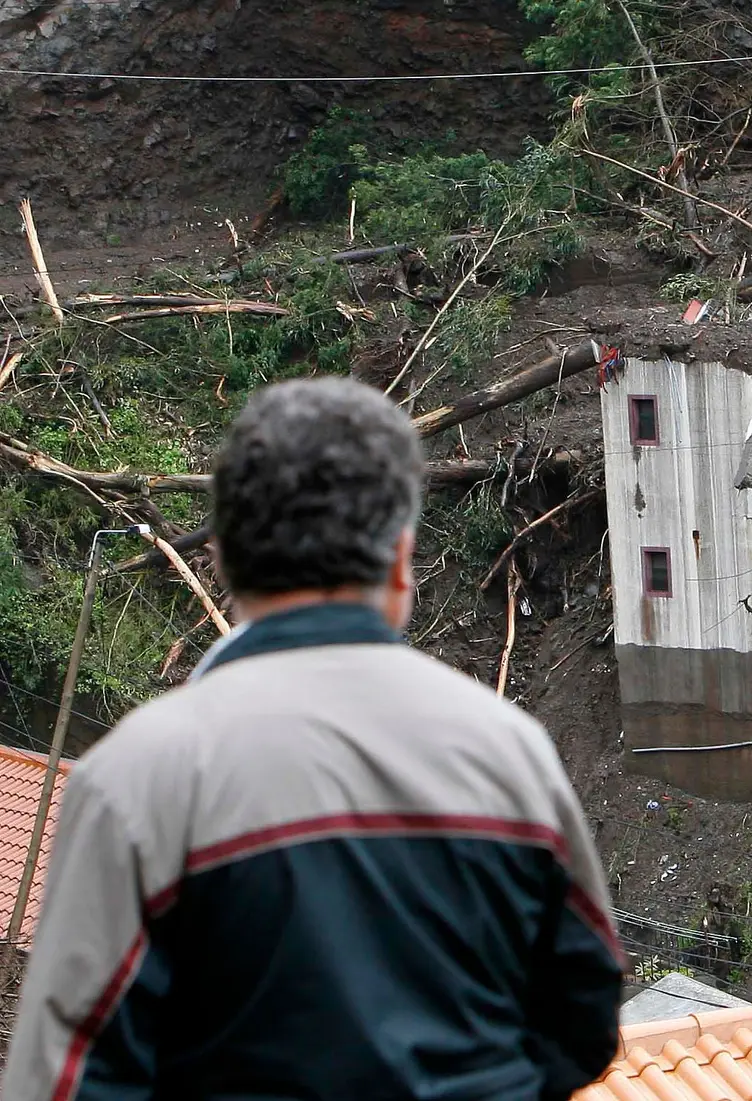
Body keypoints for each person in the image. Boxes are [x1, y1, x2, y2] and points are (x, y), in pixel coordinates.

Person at [4, 378, 622, 1101]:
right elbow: (582, 1017)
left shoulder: (138, 777)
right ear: (401, 558)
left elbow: (64, 1078)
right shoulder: (509, 753)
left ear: (225, 558)